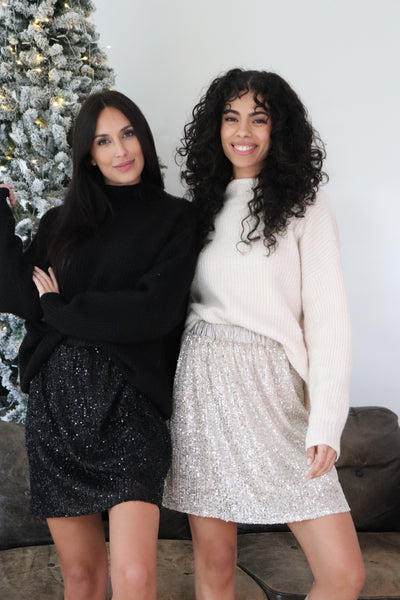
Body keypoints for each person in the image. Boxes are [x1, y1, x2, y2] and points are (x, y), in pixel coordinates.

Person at [163, 68, 365, 600]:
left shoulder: (306, 204)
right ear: (216, 127)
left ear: (280, 129)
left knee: (343, 574)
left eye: (259, 118)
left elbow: (329, 319)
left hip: (275, 389)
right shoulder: (200, 206)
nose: (243, 131)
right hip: (204, 383)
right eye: (231, 118)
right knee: (215, 562)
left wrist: (326, 420)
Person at [0, 90, 197, 600]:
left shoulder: (177, 220)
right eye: (103, 141)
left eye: (128, 134)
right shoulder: (59, 223)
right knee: (82, 577)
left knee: (134, 577)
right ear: (88, 154)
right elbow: (19, 294)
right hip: (56, 411)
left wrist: (61, 308)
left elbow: (153, 310)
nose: (120, 150)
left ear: (143, 138)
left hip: (130, 409)